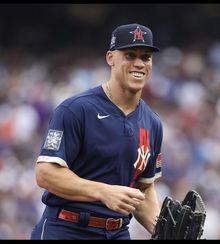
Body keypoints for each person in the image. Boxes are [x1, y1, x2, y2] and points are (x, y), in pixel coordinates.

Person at [31, 23, 163, 240]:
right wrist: (104, 192)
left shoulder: (153, 123)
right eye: (130, 55)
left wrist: (163, 230)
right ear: (111, 58)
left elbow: (144, 190)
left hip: (118, 232)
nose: (139, 63)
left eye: (146, 57)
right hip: (68, 228)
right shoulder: (76, 109)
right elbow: (46, 173)